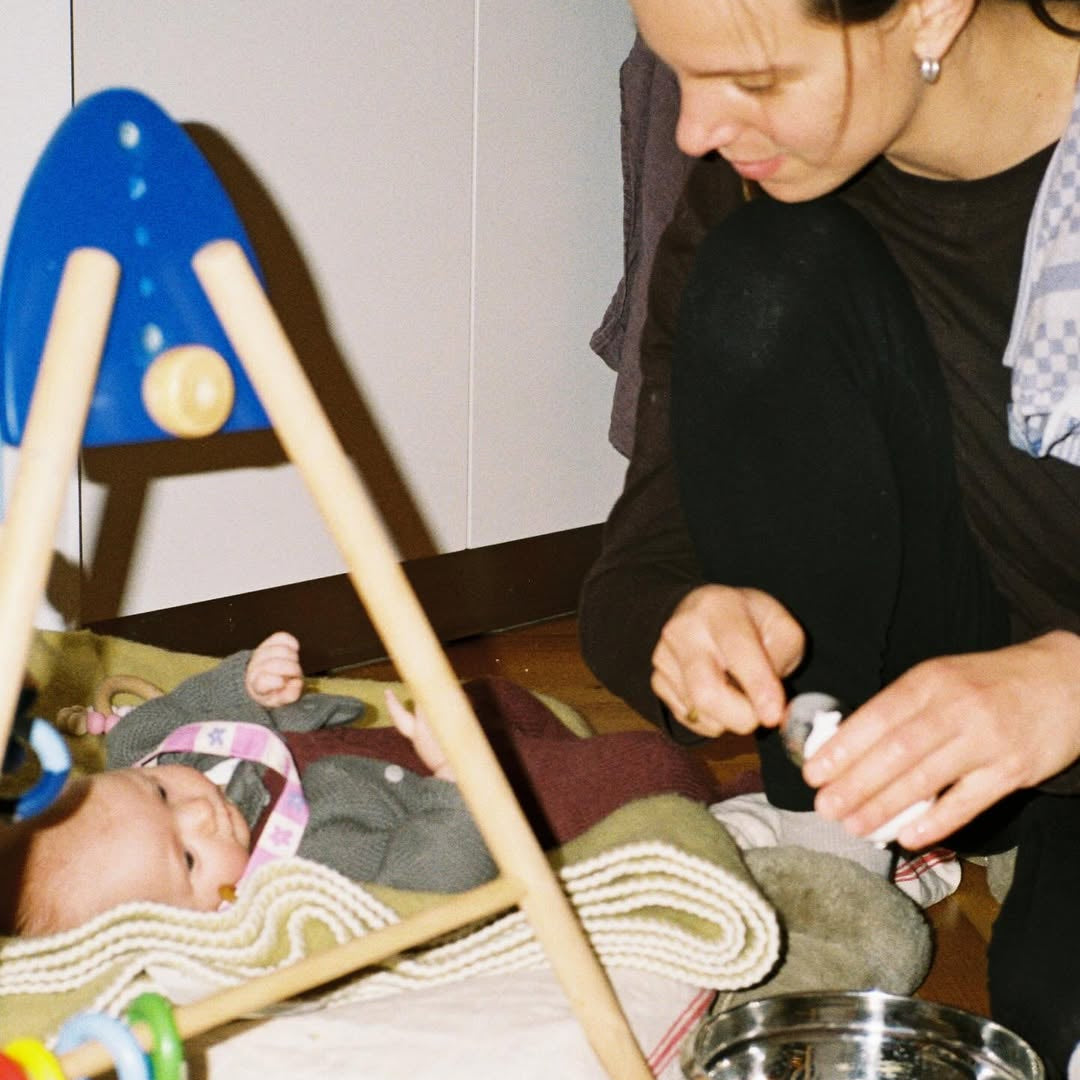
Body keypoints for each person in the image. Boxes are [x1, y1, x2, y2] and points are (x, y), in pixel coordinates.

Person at [579, 0, 1080, 1073]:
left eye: (753, 83)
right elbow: (642, 555)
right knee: (769, 274)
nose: (694, 132)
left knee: (1054, 1027)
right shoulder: (752, 186)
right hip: (933, 679)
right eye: (681, 78)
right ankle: (840, 849)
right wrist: (689, 620)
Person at [0, 632, 722, 938]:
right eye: (186, 860)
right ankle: (724, 796)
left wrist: (251, 682)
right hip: (461, 803)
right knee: (640, 772)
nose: (201, 813)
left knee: (499, 700)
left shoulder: (141, 748)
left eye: (159, 795)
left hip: (385, 742)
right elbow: (428, 879)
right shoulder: (305, 884)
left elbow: (181, 710)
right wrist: (457, 784)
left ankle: (528, 734)